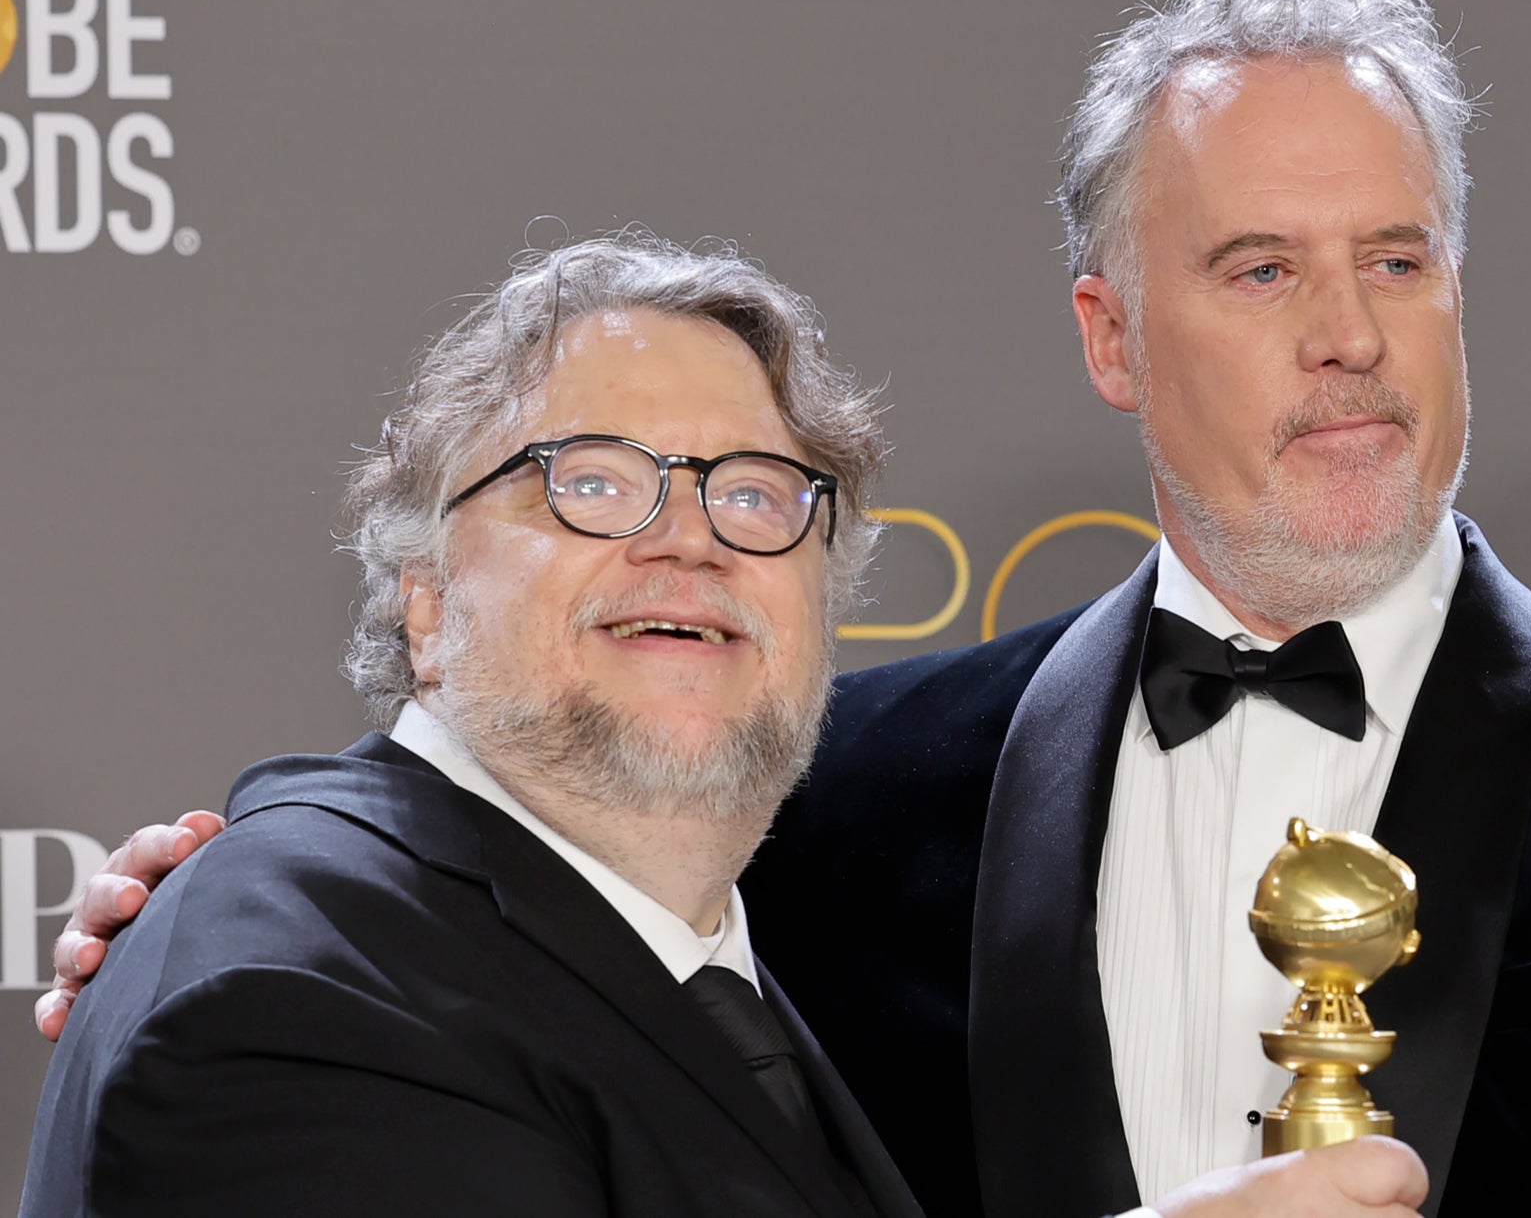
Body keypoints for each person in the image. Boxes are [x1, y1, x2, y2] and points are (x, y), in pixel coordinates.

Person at [38, 0, 1531, 1216]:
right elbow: (511, 945)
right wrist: (258, 869)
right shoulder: (842, 784)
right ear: (1110, 333)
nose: (1349, 341)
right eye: (1258, 270)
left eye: (1397, 262)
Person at [24, 233, 1430, 1218]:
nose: (688, 538)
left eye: (757, 493)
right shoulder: (295, 995)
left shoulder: (719, 947)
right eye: (591, 483)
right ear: (427, 605)